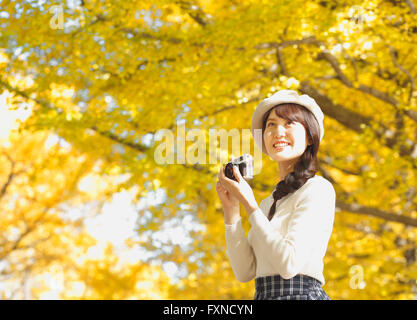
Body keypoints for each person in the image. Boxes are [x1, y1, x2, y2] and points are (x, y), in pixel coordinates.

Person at [216, 90, 335, 300]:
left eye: (289, 123)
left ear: (309, 136)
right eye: (271, 124)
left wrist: (249, 205)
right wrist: (232, 210)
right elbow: (245, 271)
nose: (278, 131)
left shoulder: (317, 189)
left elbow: (288, 265)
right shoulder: (269, 202)